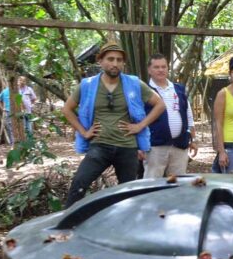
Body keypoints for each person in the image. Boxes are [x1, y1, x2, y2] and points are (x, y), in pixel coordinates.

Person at [63, 40, 166, 207]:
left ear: (123, 63)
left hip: (127, 147)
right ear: (100, 61)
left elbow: (160, 105)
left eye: (119, 60)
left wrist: (140, 126)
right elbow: (67, 109)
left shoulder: (133, 83)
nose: (115, 63)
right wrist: (84, 132)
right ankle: (65, 227)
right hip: (99, 145)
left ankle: (124, 230)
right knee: (79, 184)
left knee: (128, 193)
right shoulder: (88, 85)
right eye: (110, 59)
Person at [143, 54, 198, 178]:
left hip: (179, 145)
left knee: (178, 185)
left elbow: (189, 117)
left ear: (168, 68)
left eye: (164, 67)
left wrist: (193, 140)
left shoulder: (179, 89)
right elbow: (138, 119)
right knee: (151, 185)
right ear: (149, 70)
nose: (161, 70)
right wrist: (139, 146)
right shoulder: (144, 90)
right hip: (155, 147)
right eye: (156, 67)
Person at [0, 76, 38, 143]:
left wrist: (30, 106)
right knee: (18, 128)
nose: (21, 82)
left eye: (23, 81)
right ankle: (16, 143)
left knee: (28, 128)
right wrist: (3, 108)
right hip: (15, 111)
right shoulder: (11, 91)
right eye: (20, 81)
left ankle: (29, 143)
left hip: (27, 111)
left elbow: (33, 99)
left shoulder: (27, 89)